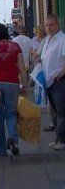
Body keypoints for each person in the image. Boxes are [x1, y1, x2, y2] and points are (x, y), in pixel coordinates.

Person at [0, 23, 28, 157]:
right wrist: (24, 85)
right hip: (12, 83)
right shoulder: (15, 47)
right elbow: (22, 68)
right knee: (11, 113)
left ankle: (1, 148)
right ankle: (13, 138)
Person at [40, 14, 65, 150]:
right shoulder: (48, 40)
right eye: (47, 25)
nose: (49, 28)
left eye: (51, 25)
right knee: (54, 112)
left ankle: (62, 140)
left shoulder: (62, 39)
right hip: (48, 81)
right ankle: (58, 137)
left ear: (58, 24)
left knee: (61, 112)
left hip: (59, 81)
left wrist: (61, 74)